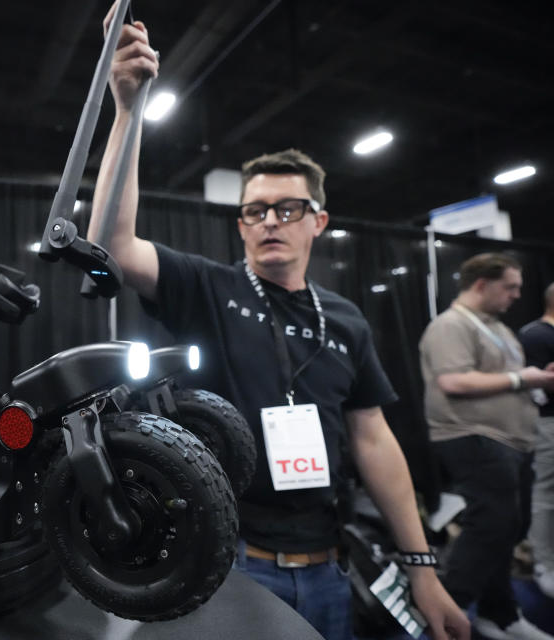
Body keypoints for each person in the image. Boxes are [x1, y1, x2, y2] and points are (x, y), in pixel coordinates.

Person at [86, 6, 469, 640]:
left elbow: (373, 439)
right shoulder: (210, 287)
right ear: (239, 224)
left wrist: (421, 563)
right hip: (228, 563)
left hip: (327, 566)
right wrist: (128, 112)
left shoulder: (344, 320)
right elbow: (113, 247)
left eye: (288, 209)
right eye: (254, 211)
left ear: (318, 221)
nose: (270, 221)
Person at [420, 254, 554, 640]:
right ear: (482, 284)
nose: (516, 295)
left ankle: (501, 613)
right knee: (491, 524)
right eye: (509, 286)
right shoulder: (450, 326)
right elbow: (453, 383)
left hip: (512, 442)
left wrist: (535, 380)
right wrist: (520, 379)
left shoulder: (498, 328)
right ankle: (447, 612)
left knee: (510, 525)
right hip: (473, 436)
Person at [519, 282, 554, 599]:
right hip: (547, 423)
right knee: (545, 493)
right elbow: (536, 387)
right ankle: (544, 564)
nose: (516, 294)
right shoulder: (536, 335)